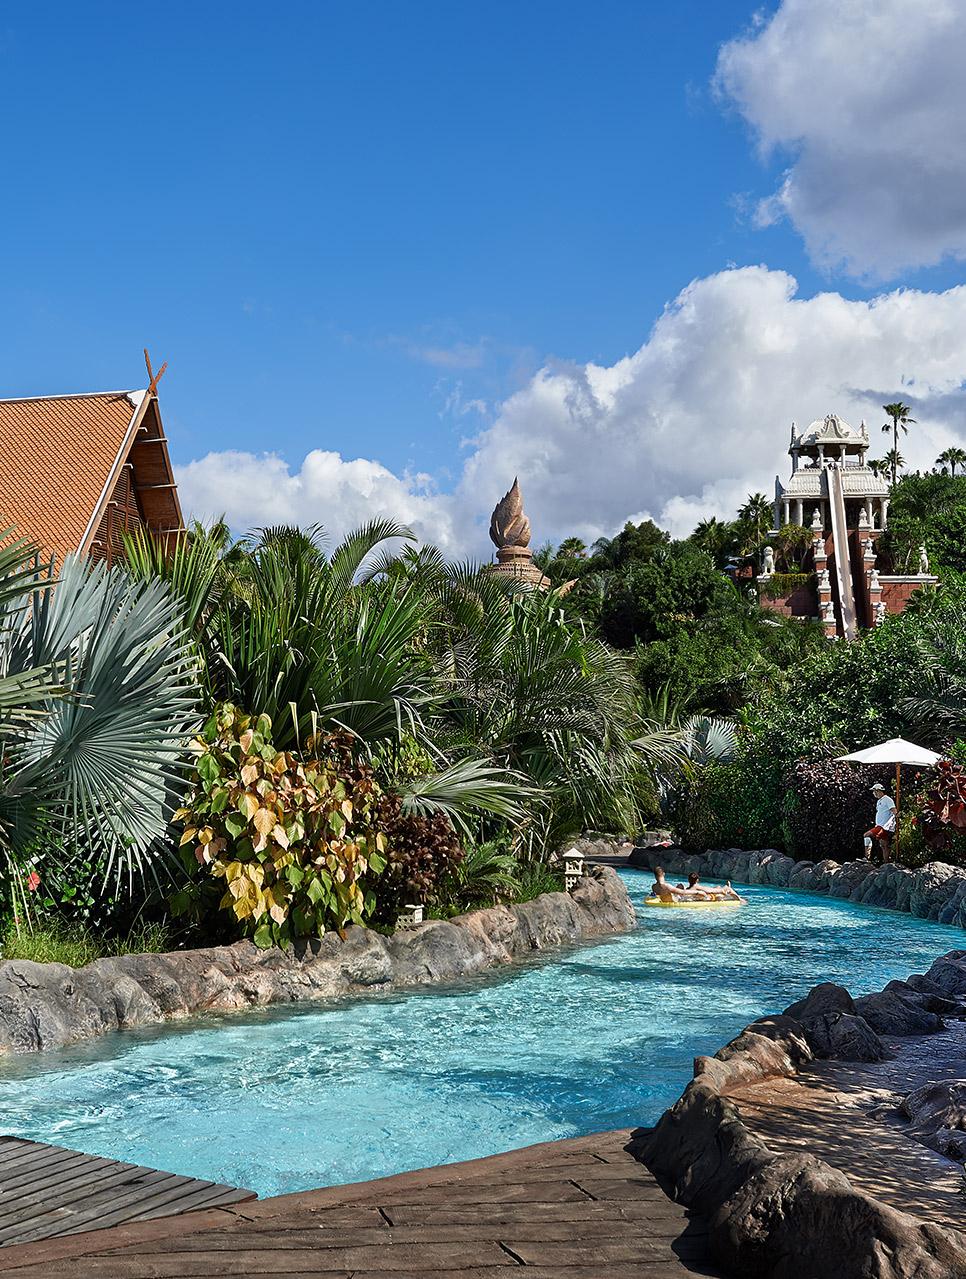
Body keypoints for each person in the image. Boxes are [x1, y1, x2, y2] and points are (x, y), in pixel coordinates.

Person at [864, 782, 896, 863]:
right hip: (880, 825)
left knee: (866, 835)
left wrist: (897, 816)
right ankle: (886, 862)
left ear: (878, 791)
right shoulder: (879, 801)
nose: (873, 793)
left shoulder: (887, 799)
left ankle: (867, 857)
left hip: (884, 826)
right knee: (884, 845)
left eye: (874, 791)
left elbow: (894, 810)